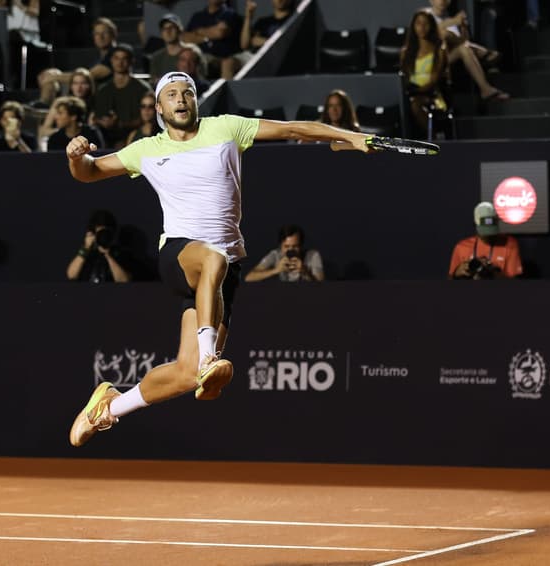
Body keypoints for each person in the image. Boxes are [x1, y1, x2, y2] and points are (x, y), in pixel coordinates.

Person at [65, 70, 371, 447]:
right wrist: (75, 157)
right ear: (159, 107)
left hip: (225, 270)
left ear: (196, 100)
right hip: (180, 254)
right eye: (172, 94)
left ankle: (108, 408)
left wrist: (349, 136)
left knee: (186, 373)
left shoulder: (227, 127)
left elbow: (296, 127)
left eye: (188, 93)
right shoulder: (146, 149)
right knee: (213, 259)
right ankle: (211, 357)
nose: (181, 99)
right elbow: (89, 172)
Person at [425, 0, 508, 101]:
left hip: (448, 55)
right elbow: (431, 31)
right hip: (429, 59)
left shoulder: (450, 18)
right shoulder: (425, 13)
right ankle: (483, 53)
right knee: (445, 34)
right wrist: (452, 25)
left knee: (464, 48)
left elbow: (461, 41)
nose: (442, 1)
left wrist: (463, 27)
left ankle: (485, 89)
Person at [92, 43, 152, 149]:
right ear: (111, 60)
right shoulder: (103, 90)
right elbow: (96, 117)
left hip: (136, 140)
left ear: (131, 61)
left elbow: (147, 117)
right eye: (116, 58)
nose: (120, 62)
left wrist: (121, 125)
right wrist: (103, 122)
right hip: (105, 140)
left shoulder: (142, 89)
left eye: (124, 58)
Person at [400, 10, 450, 137]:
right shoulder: (406, 51)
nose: (422, 27)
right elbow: (404, 76)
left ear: (431, 26)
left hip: (431, 94)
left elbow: (435, 79)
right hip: (409, 93)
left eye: (425, 24)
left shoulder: (439, 50)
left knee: (416, 105)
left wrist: (418, 91)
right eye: (418, 23)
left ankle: (434, 136)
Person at [449, 201, 523, 279]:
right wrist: (456, 273)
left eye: (491, 230)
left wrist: (492, 272)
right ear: (475, 225)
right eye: (484, 231)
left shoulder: (509, 244)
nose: (488, 235)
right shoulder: (462, 247)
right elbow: (450, 278)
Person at [181, 0, 244, 80]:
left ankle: (225, 92)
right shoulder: (197, 16)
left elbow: (220, 32)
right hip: (202, 56)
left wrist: (198, 31)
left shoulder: (231, 14)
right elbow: (185, 38)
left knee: (226, 63)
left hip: (223, 57)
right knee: (187, 59)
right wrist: (206, 38)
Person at [66, 209, 132, 283]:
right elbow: (71, 275)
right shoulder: (86, 253)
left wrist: (108, 255)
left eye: (105, 233)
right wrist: (86, 247)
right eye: (99, 233)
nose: (103, 236)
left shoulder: (119, 254)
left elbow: (124, 280)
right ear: (93, 234)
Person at [244, 224, 324, 283]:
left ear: (301, 245)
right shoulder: (275, 255)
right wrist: (275, 270)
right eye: (286, 246)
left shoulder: (312, 255)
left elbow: (322, 285)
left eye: (295, 246)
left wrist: (305, 271)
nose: (291, 250)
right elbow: (249, 278)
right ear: (280, 246)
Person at [148, 13, 190, 84]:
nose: (168, 31)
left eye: (171, 28)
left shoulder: (191, 53)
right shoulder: (157, 57)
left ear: (179, 30)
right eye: (164, 29)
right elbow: (153, 81)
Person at [89, 17, 118, 84]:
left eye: (104, 33)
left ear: (113, 34)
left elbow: (85, 77)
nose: (100, 37)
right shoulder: (98, 58)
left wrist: (59, 76)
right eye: (97, 33)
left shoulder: (116, 55)